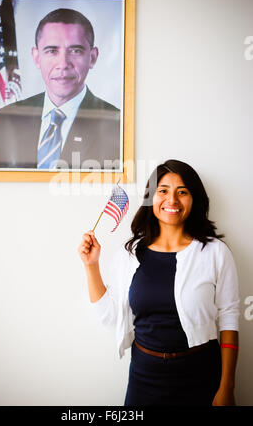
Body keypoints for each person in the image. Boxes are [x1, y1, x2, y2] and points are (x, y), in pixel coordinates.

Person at [78, 159, 240, 406]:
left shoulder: (215, 252)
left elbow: (229, 318)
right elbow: (111, 317)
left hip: (202, 376)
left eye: (182, 192)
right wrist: (91, 266)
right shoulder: (130, 255)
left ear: (194, 199)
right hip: (145, 377)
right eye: (163, 191)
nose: (172, 200)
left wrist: (227, 387)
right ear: (150, 198)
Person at [0, 8, 120, 170]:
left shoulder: (118, 125)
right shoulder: (8, 119)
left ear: (92, 57)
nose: (63, 64)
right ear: (36, 57)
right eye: (52, 51)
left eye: (75, 51)